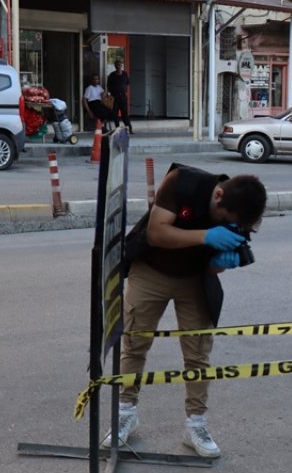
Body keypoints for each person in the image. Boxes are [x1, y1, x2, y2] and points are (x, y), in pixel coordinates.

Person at [106, 165, 268, 457]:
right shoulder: (181, 183)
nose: (227, 225)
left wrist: (222, 261)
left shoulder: (239, 212)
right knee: (135, 343)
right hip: (152, 269)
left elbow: (213, 268)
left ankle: (196, 424)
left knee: (197, 353)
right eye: (225, 219)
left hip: (196, 279)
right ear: (218, 195)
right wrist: (206, 236)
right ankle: (125, 414)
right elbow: (156, 233)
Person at [106, 61, 133, 134]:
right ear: (115, 66)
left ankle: (129, 128)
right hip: (114, 97)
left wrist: (124, 91)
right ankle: (117, 128)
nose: (118, 66)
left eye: (120, 65)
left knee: (125, 113)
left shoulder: (125, 74)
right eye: (117, 65)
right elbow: (108, 86)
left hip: (123, 96)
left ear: (121, 66)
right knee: (115, 113)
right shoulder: (112, 75)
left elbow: (127, 84)